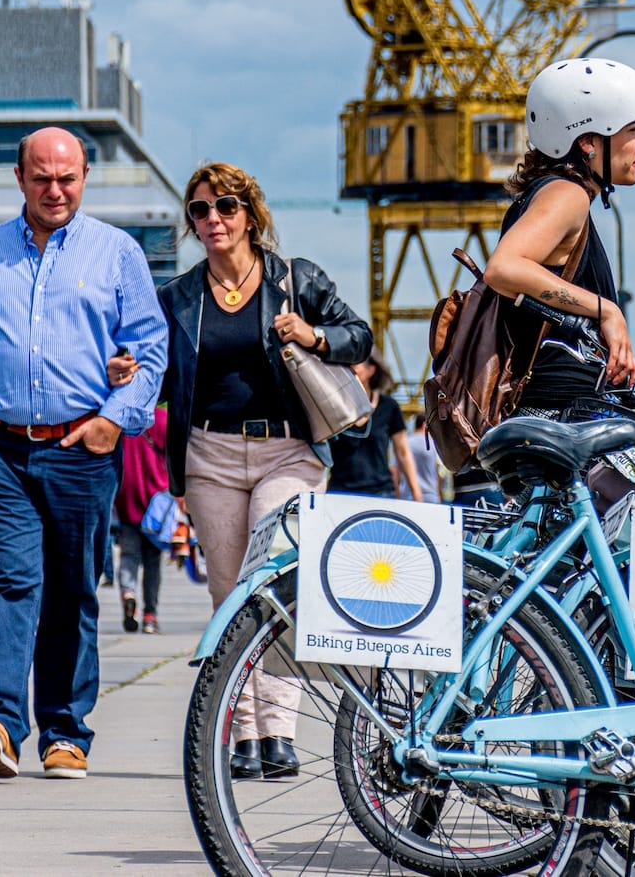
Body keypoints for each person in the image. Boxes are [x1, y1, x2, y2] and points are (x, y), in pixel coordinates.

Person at [0, 127, 166, 782]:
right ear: (19, 177)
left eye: (67, 177)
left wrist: (114, 421)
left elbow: (149, 347)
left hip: (80, 446)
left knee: (71, 590)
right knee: (9, 578)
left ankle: (65, 732)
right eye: (41, 177)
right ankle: (0, 719)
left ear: (85, 176)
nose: (54, 189)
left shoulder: (117, 252)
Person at [156, 161, 371, 782]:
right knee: (228, 596)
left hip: (287, 452)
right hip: (210, 456)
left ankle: (279, 732)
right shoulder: (180, 298)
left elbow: (360, 335)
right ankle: (243, 737)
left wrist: (313, 333)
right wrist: (134, 373)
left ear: (250, 213)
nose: (213, 219)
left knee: (274, 586)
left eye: (225, 206)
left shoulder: (295, 280)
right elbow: (174, 381)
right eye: (200, 210)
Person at [479, 58, 635, 502]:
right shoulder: (566, 193)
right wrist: (605, 310)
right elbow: (505, 268)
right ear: (590, 141)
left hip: (552, 418)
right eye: (633, 130)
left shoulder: (555, 192)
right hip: (561, 420)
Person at [115, 410, 170, 635]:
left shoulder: (122, 416)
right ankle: (150, 616)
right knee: (152, 562)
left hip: (126, 497)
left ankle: (128, 593)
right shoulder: (162, 419)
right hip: (156, 502)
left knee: (128, 556)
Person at [338, 351, 416, 499]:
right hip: (340, 490)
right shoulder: (336, 406)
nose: (349, 370)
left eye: (354, 366)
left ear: (371, 370)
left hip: (380, 491)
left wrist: (416, 492)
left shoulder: (389, 407)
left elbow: (402, 451)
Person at [398, 413, 441, 505]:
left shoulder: (404, 443)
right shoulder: (433, 444)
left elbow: (394, 470)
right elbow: (441, 473)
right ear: (424, 424)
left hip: (407, 496)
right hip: (431, 495)